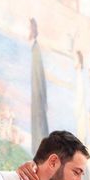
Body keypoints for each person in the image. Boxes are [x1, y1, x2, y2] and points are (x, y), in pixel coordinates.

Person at [30, 17, 49, 152]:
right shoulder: (34, 49)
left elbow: (39, 79)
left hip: (38, 98)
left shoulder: (36, 50)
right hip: (37, 97)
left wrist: (42, 100)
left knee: (39, 124)